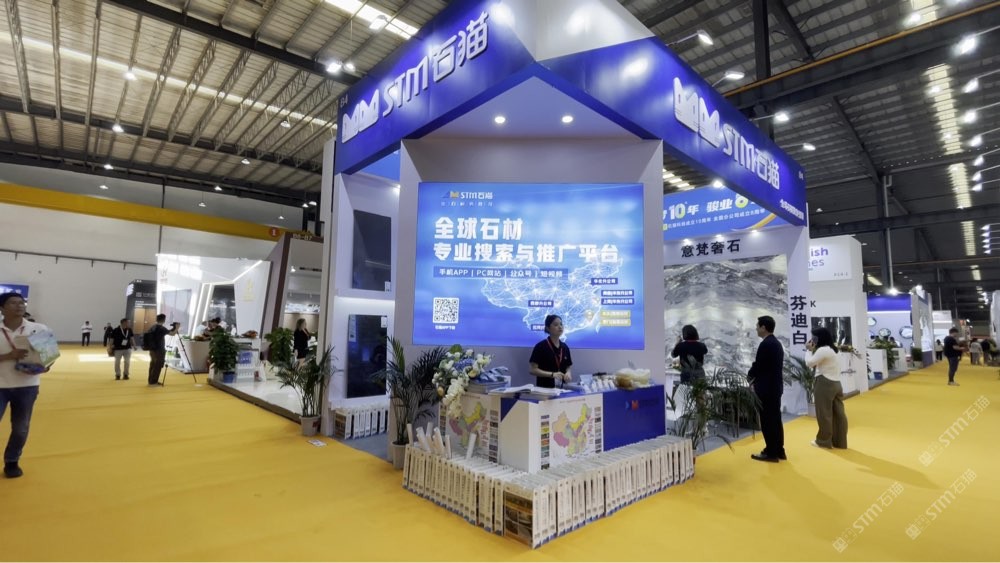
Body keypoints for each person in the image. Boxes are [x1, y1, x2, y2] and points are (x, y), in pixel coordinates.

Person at [0, 292, 51, 478]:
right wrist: (8, 356)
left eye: (22, 302)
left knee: (21, 428)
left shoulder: (38, 329)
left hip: (27, 386)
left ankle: (12, 461)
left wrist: (44, 366)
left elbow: (49, 356)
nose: (19, 305)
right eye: (13, 303)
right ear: (2, 308)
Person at [747, 315, 785, 462]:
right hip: (775, 387)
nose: (756, 328)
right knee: (775, 419)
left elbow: (759, 365)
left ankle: (771, 452)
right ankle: (778, 449)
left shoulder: (766, 344)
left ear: (763, 327)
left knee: (767, 420)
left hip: (766, 389)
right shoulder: (776, 343)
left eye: (757, 326)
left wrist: (750, 376)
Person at [805, 327, 848, 449]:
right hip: (837, 383)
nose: (813, 340)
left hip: (824, 382)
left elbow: (809, 363)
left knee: (824, 413)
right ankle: (840, 441)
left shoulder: (823, 350)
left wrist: (808, 350)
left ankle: (823, 441)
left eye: (814, 337)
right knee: (839, 414)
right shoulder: (835, 350)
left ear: (819, 338)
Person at [529, 314, 573, 388]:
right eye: (556, 325)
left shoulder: (565, 347)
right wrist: (552, 374)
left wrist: (568, 373)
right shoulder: (540, 346)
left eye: (561, 324)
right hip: (545, 389)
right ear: (548, 328)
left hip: (562, 389)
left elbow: (568, 367)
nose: (560, 327)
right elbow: (532, 370)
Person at [145, 314, 174, 386]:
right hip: (159, 350)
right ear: (163, 320)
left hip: (152, 349)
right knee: (158, 365)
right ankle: (154, 382)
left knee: (153, 364)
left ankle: (150, 380)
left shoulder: (153, 327)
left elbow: (167, 331)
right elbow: (172, 334)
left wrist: (173, 328)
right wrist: (177, 328)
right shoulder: (161, 328)